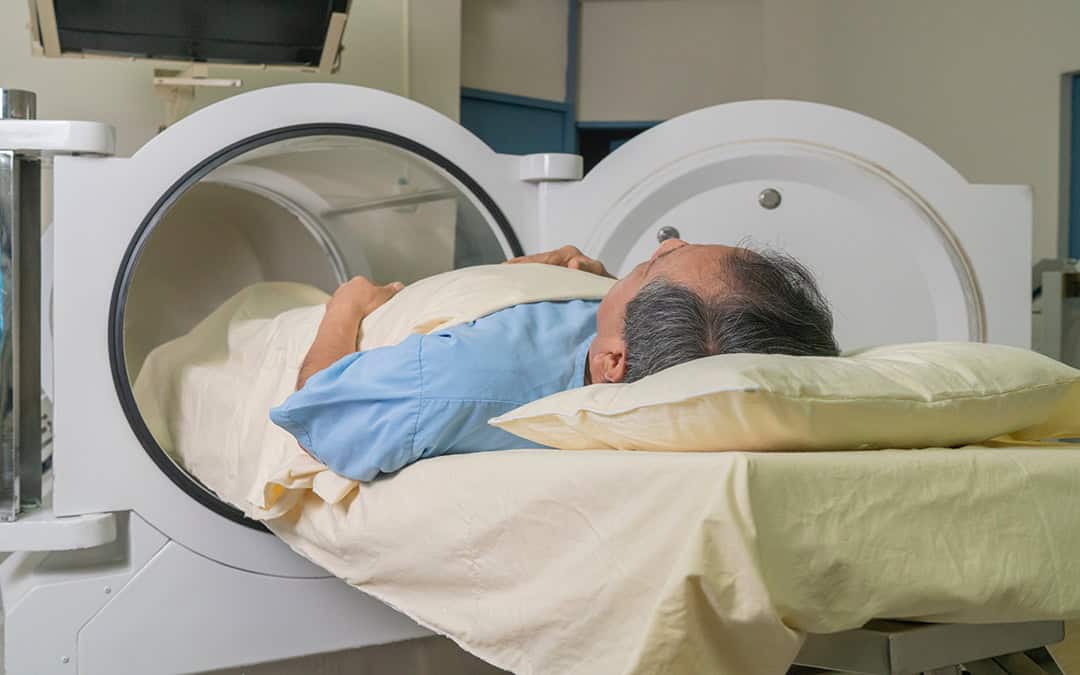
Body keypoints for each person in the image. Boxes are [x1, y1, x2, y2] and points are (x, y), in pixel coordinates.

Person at [270, 240, 839, 481]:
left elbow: (315, 409)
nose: (664, 244)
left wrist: (347, 306)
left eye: (650, 269)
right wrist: (529, 277)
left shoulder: (458, 386)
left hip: (297, 324)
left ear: (614, 362)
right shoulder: (642, 351)